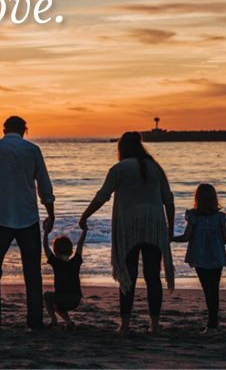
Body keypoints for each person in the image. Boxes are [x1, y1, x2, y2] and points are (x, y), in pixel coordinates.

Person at [79, 131, 175, 335]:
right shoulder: (156, 168)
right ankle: (155, 325)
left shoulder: (119, 169)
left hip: (129, 227)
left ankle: (124, 324)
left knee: (127, 275)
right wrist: (170, 228)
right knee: (153, 277)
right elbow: (168, 199)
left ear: (121, 148)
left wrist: (85, 215)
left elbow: (101, 196)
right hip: (154, 225)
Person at [0, 115, 55, 331]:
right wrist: (50, 211)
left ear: (4, 129)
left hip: (2, 217)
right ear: (24, 130)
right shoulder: (32, 150)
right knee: (32, 272)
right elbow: (44, 185)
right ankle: (35, 321)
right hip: (28, 217)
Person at [172, 183, 226, 334]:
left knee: (207, 289)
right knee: (214, 289)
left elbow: (186, 237)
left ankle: (211, 325)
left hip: (199, 257)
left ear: (197, 198)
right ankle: (213, 323)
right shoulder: (219, 217)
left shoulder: (193, 216)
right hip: (216, 256)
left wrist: (170, 238)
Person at [43, 224, 87, 329]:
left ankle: (54, 320)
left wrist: (45, 232)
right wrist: (85, 230)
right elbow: (80, 245)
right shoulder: (76, 261)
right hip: (76, 299)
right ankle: (69, 323)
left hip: (62, 299)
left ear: (55, 251)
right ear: (71, 251)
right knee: (58, 304)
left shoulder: (56, 262)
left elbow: (45, 246)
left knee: (47, 296)